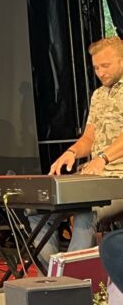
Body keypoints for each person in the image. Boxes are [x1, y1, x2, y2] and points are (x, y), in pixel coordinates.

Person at [31, 37, 123, 266]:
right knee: (37, 209)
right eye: (96, 67)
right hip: (95, 178)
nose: (100, 72)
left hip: (119, 179)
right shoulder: (99, 95)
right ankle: (56, 276)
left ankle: (72, 278)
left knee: (85, 214)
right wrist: (71, 152)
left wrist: (103, 158)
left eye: (105, 66)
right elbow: (89, 138)